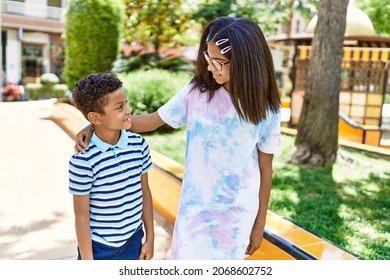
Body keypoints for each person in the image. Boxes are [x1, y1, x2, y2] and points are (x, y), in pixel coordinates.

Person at [75, 17, 281, 260]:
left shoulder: (267, 109)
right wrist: (96, 123)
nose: (211, 67)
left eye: (219, 62)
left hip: (236, 221)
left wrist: (259, 226)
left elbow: (265, 169)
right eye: (208, 58)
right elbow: (152, 120)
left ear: (246, 63)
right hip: (194, 217)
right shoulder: (197, 92)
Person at [69, 73, 154, 260]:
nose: (129, 110)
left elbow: (145, 192)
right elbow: (81, 217)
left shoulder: (139, 145)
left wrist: (150, 237)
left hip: (134, 240)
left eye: (126, 103)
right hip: (100, 249)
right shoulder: (83, 161)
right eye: (119, 107)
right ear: (95, 118)